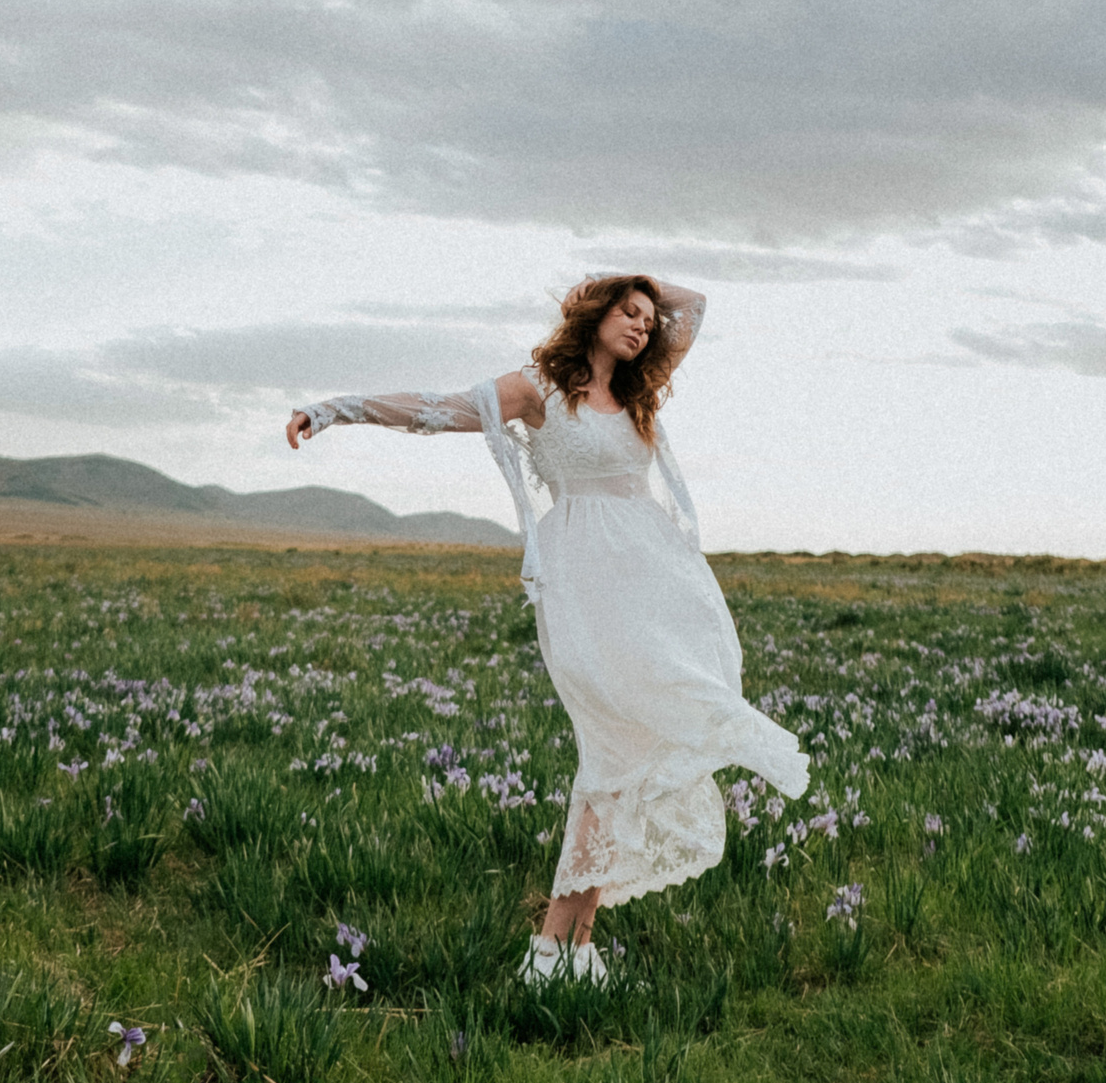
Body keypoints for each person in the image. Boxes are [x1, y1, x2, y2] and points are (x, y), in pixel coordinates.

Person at [285, 275, 811, 984]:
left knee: (625, 756)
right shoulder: (541, 391)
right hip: (586, 585)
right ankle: (557, 954)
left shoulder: (636, 393)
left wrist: (647, 287)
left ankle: (565, 954)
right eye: (628, 312)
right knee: (610, 752)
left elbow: (695, 308)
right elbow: (436, 409)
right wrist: (333, 409)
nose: (643, 326)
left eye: (647, 321)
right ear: (595, 313)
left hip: (657, 586)